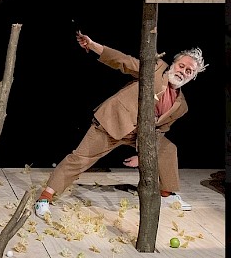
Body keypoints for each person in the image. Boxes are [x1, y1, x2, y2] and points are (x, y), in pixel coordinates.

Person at [34, 31, 207, 218]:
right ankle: (45, 197)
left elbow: (160, 130)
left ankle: (166, 194)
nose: (183, 71)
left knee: (167, 149)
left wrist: (143, 155)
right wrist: (93, 45)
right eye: (181, 66)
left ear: (193, 77)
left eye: (189, 71)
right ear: (173, 64)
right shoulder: (157, 68)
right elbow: (124, 61)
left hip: (138, 135)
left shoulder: (181, 106)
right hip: (113, 123)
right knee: (80, 159)